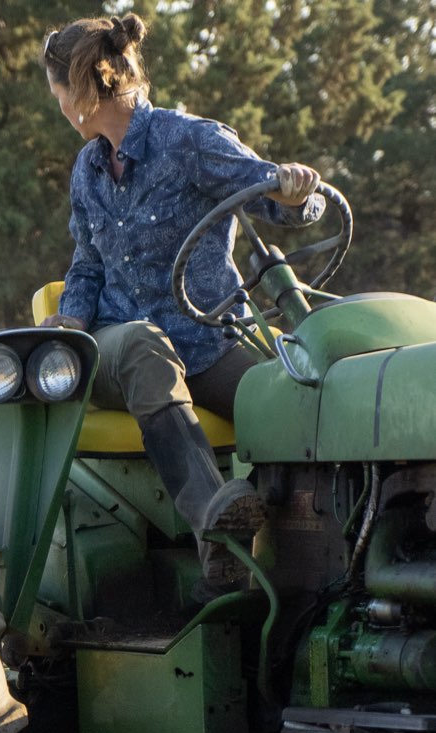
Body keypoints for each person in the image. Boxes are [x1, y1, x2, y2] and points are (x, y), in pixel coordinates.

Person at [40, 13, 325, 588]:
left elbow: (273, 196)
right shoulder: (88, 169)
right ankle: (214, 525)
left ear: (82, 91)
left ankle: (313, 568)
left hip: (204, 341)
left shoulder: (190, 140)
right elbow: (88, 263)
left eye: (58, 94)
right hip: (119, 346)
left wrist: (298, 192)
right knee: (146, 348)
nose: (60, 107)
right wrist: (70, 319)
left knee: (295, 401)